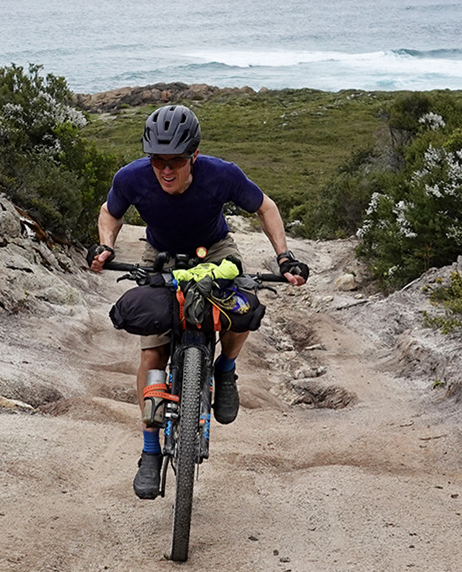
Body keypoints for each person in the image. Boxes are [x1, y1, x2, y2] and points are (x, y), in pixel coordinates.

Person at [87, 103, 309, 499]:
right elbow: (110, 212)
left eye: (175, 161)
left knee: (240, 309)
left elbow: (265, 207)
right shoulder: (133, 178)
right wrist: (106, 246)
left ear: (193, 155)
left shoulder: (221, 175)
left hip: (216, 250)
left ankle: (225, 368)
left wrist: (284, 257)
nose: (165, 170)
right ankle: (150, 451)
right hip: (160, 255)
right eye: (157, 160)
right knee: (152, 355)